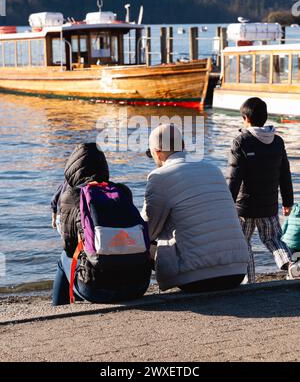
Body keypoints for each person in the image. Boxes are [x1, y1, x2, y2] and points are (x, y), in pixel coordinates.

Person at [142, 123, 249, 293]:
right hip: (237, 271)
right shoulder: (212, 169)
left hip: (197, 278)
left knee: (139, 242)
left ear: (157, 152)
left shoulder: (159, 177)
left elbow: (147, 231)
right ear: (183, 146)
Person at [52, 143, 151, 306]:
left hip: (96, 290)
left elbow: (69, 247)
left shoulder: (72, 195)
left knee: (64, 260)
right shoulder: (122, 191)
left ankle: (58, 308)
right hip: (139, 285)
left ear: (72, 167)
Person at [227, 97, 300, 282]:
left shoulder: (241, 141)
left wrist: (227, 204)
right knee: (274, 239)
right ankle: (291, 266)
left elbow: (234, 179)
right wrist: (288, 202)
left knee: (243, 244)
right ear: (265, 117)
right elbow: (285, 173)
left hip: (244, 208)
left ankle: (249, 281)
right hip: (269, 205)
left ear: (246, 118)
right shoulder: (277, 141)